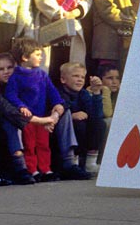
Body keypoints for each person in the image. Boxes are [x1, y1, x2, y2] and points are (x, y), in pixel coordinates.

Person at [7, 37, 90, 181]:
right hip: (28, 119)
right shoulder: (16, 76)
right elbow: (11, 94)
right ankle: (32, 170)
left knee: (43, 145)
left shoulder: (42, 74)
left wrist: (58, 103)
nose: (41, 57)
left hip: (44, 116)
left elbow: (52, 92)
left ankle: (48, 169)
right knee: (30, 145)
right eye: (37, 55)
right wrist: (21, 106)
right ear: (25, 57)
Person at [0, 53, 36, 185]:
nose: (6, 72)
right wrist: (42, 121)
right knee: (9, 122)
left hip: (26, 122)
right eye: (1, 69)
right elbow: (9, 111)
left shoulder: (23, 85)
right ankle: (20, 167)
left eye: (10, 68)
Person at [57, 62, 105, 175]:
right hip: (62, 130)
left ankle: (90, 163)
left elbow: (97, 115)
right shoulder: (58, 92)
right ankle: (73, 162)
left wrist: (96, 92)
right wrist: (71, 116)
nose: (80, 79)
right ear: (63, 79)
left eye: (82, 77)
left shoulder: (83, 94)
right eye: (75, 76)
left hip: (83, 131)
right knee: (78, 123)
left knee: (100, 123)